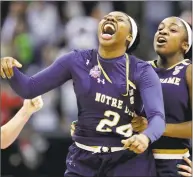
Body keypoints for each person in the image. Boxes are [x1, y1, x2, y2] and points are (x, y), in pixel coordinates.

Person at [1, 11, 165, 177]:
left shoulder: (141, 70)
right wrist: (10, 71)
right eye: (107, 17)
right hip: (84, 158)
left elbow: (157, 117)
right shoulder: (76, 60)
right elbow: (29, 88)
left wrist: (146, 137)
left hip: (126, 159)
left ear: (129, 36)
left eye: (119, 19)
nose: (109, 19)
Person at [130, 16, 192, 177]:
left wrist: (153, 128)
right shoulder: (139, 70)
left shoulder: (189, 71)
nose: (163, 31)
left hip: (172, 161)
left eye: (172, 30)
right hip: (134, 159)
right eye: (160, 28)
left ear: (185, 44)